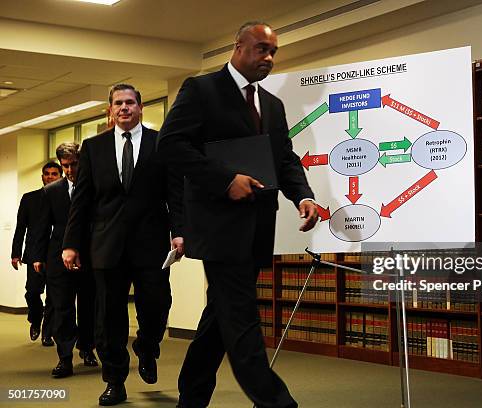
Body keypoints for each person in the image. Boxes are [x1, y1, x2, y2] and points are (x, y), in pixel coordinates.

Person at [157, 22, 318, 408]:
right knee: (243, 321)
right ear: (238, 46)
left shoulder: (274, 105)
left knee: (220, 317)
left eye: (273, 52)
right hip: (218, 228)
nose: (269, 58)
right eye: (261, 49)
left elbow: (285, 159)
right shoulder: (201, 90)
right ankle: (278, 403)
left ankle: (191, 397)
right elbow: (170, 146)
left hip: (257, 228)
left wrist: (303, 197)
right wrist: (224, 180)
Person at [62, 83, 184, 406]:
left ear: (140, 108)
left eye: (130, 102)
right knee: (109, 318)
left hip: (151, 244)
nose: (124, 108)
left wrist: (180, 232)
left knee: (157, 305)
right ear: (110, 110)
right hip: (106, 245)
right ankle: (114, 380)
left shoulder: (162, 144)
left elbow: (175, 194)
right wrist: (71, 244)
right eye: (118, 103)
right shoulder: (93, 147)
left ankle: (147, 346)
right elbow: (82, 202)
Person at [32, 143, 98, 378]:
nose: (70, 170)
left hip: (89, 255)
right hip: (58, 258)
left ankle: (88, 348)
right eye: (66, 166)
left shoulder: (94, 187)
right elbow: (41, 227)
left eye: (74, 165)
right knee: (62, 308)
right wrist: (37, 257)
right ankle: (65, 357)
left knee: (89, 306)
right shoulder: (51, 191)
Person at [11, 162, 61, 346]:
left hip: (56, 254)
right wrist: (15, 253)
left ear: (60, 176)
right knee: (32, 292)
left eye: (54, 174)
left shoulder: (64, 198)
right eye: (47, 174)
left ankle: (47, 333)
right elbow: (20, 228)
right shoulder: (29, 198)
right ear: (42, 176)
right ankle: (35, 318)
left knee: (53, 297)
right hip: (34, 254)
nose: (50, 177)